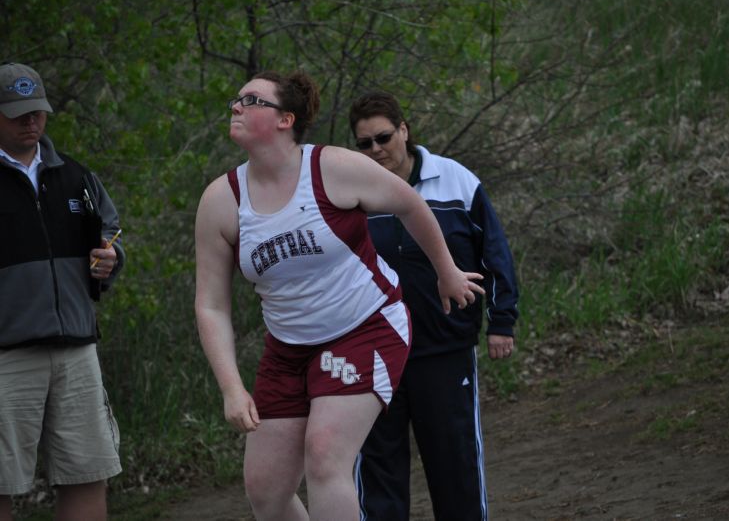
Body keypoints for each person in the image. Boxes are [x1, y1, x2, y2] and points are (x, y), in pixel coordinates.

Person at [194, 70, 484, 521]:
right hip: (288, 351)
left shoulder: (329, 167)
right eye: (237, 99)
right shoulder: (221, 200)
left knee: (326, 455)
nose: (236, 106)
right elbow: (211, 303)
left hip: (365, 328)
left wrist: (446, 271)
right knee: (266, 491)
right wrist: (231, 388)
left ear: (285, 119)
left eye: (251, 100)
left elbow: (409, 202)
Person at [349, 91, 519, 521]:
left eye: (383, 137)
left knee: (455, 467)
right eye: (364, 143)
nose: (375, 149)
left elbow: (494, 252)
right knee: (378, 474)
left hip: (444, 350)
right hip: (374, 356)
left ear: (404, 130)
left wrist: (502, 320)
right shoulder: (350, 193)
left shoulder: (456, 180)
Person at [0, 63, 125, 521]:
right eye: (16, 113)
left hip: (77, 350)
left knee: (87, 473)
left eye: (36, 111)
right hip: (6, 355)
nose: (30, 121)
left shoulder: (77, 178)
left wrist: (111, 260)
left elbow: (110, 237)